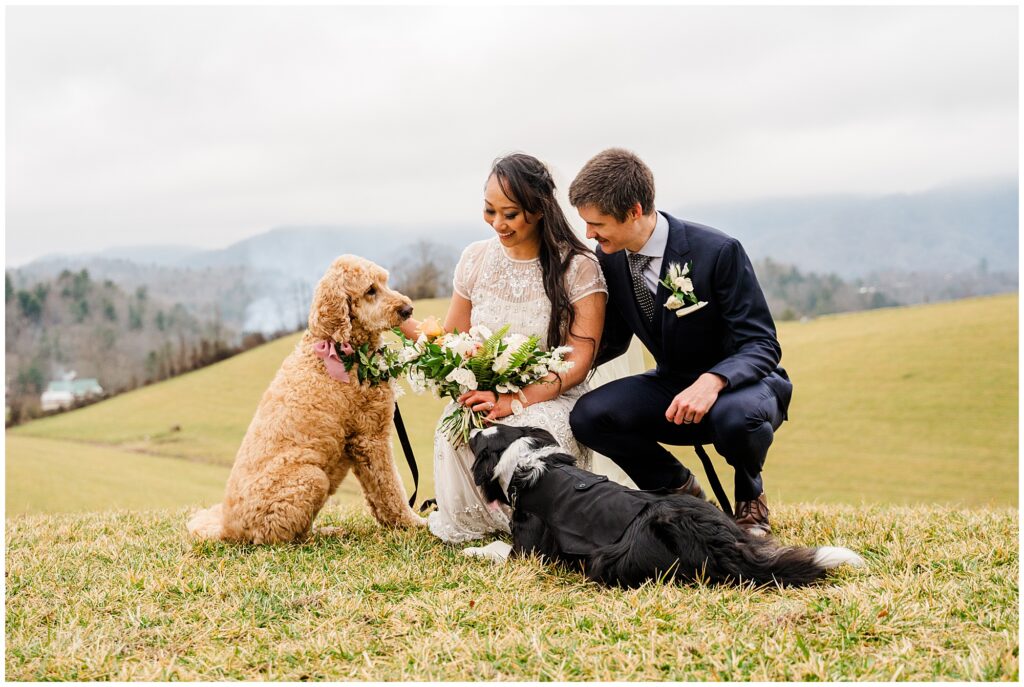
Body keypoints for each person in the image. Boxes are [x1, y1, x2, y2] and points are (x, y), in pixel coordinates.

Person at [567, 148, 792, 537]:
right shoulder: (609, 260)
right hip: (671, 386)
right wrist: (552, 369)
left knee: (735, 418)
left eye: (597, 223)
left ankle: (750, 501)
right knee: (589, 416)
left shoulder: (717, 251)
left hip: (746, 389)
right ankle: (680, 493)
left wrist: (713, 381)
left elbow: (762, 344)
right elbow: (615, 341)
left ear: (634, 211)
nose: (589, 234)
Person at [399, 153, 607, 546]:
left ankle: (540, 524)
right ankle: (476, 521)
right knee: (456, 424)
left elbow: (579, 361)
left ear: (539, 209)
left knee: (533, 434)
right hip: (489, 393)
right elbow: (450, 340)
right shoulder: (475, 259)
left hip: (554, 393)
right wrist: (397, 318)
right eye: (489, 211)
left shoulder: (578, 267)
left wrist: (515, 400)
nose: (498, 223)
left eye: (510, 214)